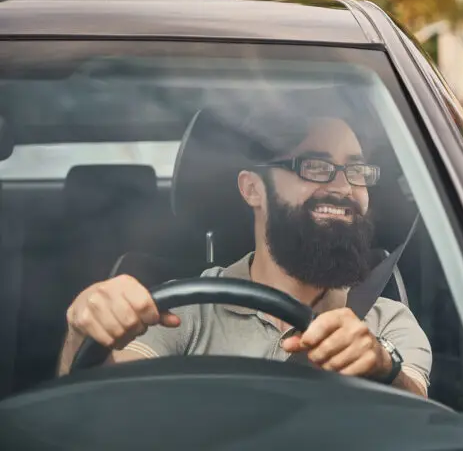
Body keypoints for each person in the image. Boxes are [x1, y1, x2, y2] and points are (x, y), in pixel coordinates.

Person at [57, 116, 431, 397]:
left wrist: (382, 370)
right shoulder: (183, 310)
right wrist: (82, 334)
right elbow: (102, 406)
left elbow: (418, 413)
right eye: (315, 167)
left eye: (357, 170)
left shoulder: (385, 323)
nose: (343, 186)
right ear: (253, 189)